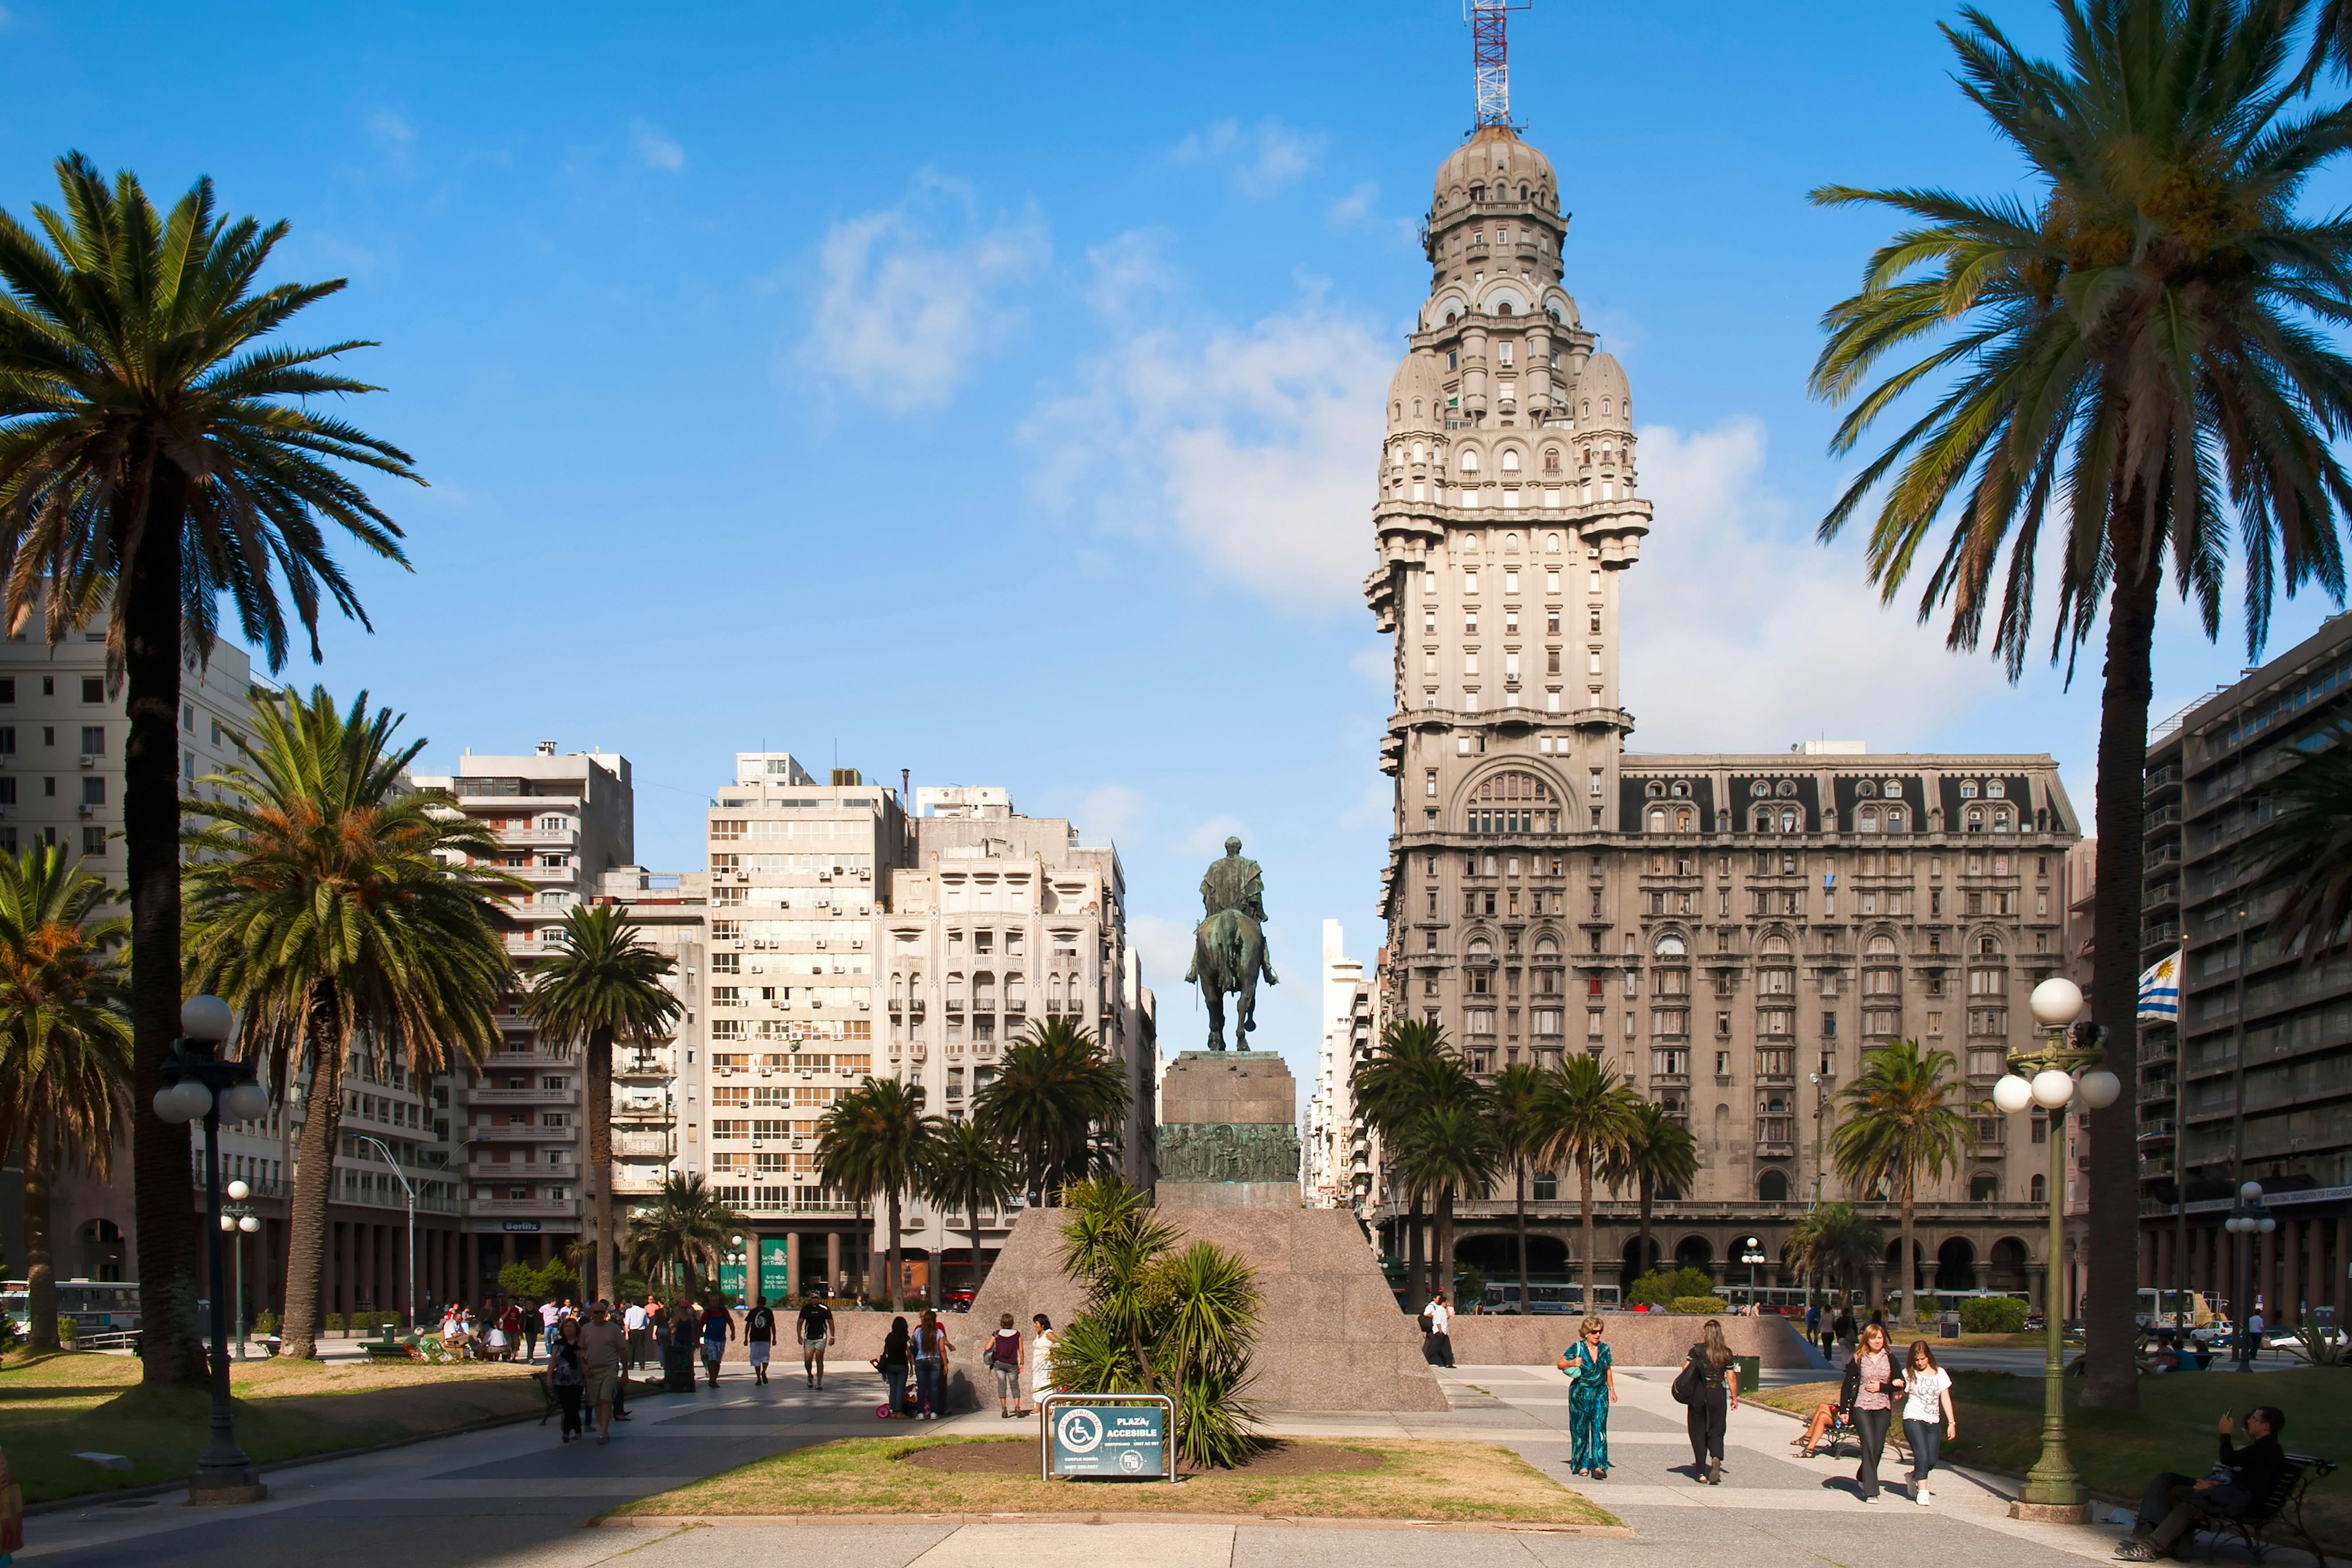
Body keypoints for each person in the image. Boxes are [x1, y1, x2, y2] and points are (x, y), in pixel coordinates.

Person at [2116, 1408, 2289, 1561]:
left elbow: (2229, 1460)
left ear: (2266, 1426)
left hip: (2244, 1501)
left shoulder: (2268, 1448)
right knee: (2176, 1490)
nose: (2250, 1422)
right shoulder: (2263, 1447)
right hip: (2234, 1493)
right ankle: (2178, 1546)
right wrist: (2216, 1485)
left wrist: (2226, 1433)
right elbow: (2245, 1477)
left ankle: (2149, 1546)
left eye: (2254, 1419)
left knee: (2192, 1503)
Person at [1557, 1314, 1617, 1479]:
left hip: (1600, 1392)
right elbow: (1560, 1364)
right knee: (1581, 1429)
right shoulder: (1577, 1347)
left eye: (1600, 1332)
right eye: (1594, 1332)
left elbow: (1608, 1370)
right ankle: (1583, 1464)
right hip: (1581, 1392)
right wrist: (1571, 1363)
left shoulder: (1605, 1349)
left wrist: (1611, 1389)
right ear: (1586, 1332)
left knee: (1599, 1428)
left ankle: (1599, 1466)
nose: (1598, 1335)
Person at [1681, 1318, 1738, 1485]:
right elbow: (1732, 1377)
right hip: (1718, 1395)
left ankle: (1701, 1473)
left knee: (1698, 1431)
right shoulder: (1726, 1353)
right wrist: (1734, 1398)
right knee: (1717, 1429)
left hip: (1699, 1395)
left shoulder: (1697, 1350)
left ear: (1705, 1333)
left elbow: (1685, 1370)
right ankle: (1716, 1457)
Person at [1850, 1320, 1902, 1503]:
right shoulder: (1859, 1358)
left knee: (1878, 1448)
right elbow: (1848, 1383)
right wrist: (1843, 1409)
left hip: (1883, 1407)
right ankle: (1872, 1491)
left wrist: (1884, 1387)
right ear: (1867, 1340)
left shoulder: (1889, 1358)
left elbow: (1899, 1381)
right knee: (1869, 1445)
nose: (1877, 1341)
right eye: (1874, 1338)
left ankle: (1863, 1474)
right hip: (1862, 1406)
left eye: (1880, 1338)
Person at [1901, 1340, 1956, 1505]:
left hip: (1933, 1421)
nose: (1920, 1363)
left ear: (1929, 1357)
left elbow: (1945, 1397)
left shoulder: (1940, 1373)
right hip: (1913, 1418)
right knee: (1922, 1455)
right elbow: (1899, 1393)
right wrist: (1896, 1390)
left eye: (1923, 1359)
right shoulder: (1908, 1373)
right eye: (1916, 1360)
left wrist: (1952, 1422)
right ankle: (1923, 1491)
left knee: (1931, 1460)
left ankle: (1913, 1476)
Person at [578, 1300, 627, 1446]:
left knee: (606, 1398)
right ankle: (602, 1427)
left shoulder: (613, 1329)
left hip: (609, 1367)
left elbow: (622, 1351)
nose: (600, 1315)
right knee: (596, 1401)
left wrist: (625, 1372)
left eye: (602, 1312)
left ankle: (604, 1431)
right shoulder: (586, 1329)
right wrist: (584, 1365)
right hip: (592, 1369)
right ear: (591, 1314)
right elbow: (582, 1349)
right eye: (596, 1313)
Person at [548, 1317, 587, 1442]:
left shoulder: (581, 1344)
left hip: (577, 1379)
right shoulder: (558, 1344)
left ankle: (566, 1432)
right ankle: (577, 1430)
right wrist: (549, 1376)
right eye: (566, 1327)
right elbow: (553, 1361)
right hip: (562, 1379)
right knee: (567, 1407)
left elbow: (586, 1359)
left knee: (573, 1405)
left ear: (576, 1329)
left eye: (571, 1326)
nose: (568, 1329)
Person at [912, 1308, 952, 1419]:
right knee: (934, 1387)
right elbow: (942, 1349)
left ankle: (920, 1413)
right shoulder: (938, 1332)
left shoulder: (918, 1332)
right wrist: (945, 1364)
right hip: (935, 1360)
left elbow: (912, 1344)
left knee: (922, 1387)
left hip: (920, 1360)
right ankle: (934, 1412)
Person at [986, 1313, 1025, 1419]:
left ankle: (1004, 1409)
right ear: (1012, 1323)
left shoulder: (997, 1334)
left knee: (1002, 1385)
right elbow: (1020, 1350)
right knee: (1015, 1385)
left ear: (1002, 1322)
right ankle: (1017, 1408)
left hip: (999, 1363)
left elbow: (987, 1347)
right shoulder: (1017, 1334)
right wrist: (1022, 1363)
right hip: (1012, 1364)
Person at [798, 1293, 836, 1389]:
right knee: (808, 1360)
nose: (815, 1300)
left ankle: (819, 1382)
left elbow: (831, 1323)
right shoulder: (806, 1309)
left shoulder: (824, 1309)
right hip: (809, 1337)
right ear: (810, 1299)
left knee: (819, 1359)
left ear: (819, 1299)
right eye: (813, 1298)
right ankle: (810, 1375)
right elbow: (800, 1323)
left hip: (821, 1337)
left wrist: (832, 1337)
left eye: (816, 1298)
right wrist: (799, 1336)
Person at [877, 1315, 912, 1417]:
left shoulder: (889, 1337)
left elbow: (886, 1350)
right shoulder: (906, 1338)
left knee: (893, 1388)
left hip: (890, 1365)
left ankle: (893, 1410)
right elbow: (909, 1353)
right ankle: (899, 1411)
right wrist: (911, 1366)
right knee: (900, 1388)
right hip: (902, 1364)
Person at [661, 1299, 698, 1393]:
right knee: (679, 1361)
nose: (684, 1310)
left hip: (688, 1341)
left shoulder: (691, 1318)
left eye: (686, 1308)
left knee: (689, 1361)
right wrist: (672, 1330)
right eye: (682, 1308)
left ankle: (689, 1379)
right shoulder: (677, 1318)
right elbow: (672, 1329)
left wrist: (695, 1342)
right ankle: (679, 1379)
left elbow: (693, 1330)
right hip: (678, 1341)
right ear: (679, 1308)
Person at [699, 1298, 734, 1387]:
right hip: (710, 1339)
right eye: (714, 1301)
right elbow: (701, 1325)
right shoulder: (707, 1313)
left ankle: (714, 1378)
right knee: (712, 1358)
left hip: (721, 1339)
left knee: (718, 1360)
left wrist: (733, 1333)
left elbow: (730, 1322)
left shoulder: (723, 1312)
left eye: (717, 1300)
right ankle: (712, 1378)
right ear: (710, 1302)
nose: (716, 1302)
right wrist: (696, 1338)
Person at [1028, 1313, 1058, 1417]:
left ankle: (1048, 1405)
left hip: (1046, 1363)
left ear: (1043, 1324)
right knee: (1037, 1383)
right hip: (1037, 1363)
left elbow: (1059, 1344)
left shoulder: (1049, 1334)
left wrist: (1053, 1354)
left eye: (1036, 1323)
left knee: (1046, 1383)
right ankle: (1038, 1406)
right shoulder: (1038, 1336)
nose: (1034, 1326)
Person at [743, 1295, 777, 1386]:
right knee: (765, 1357)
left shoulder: (753, 1312)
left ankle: (758, 1378)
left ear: (757, 1302)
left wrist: (746, 1338)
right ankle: (764, 1371)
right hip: (766, 1338)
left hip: (754, 1338)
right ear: (765, 1303)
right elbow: (772, 1325)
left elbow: (748, 1325)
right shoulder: (768, 1312)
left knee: (755, 1359)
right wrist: (774, 1337)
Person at [1423, 1289, 1455, 1368]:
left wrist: (1447, 1309)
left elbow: (1447, 1317)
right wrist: (1440, 1330)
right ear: (1443, 1303)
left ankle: (1449, 1363)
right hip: (1439, 1332)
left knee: (1447, 1347)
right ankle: (1424, 1360)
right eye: (1446, 1303)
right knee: (1435, 1348)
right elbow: (1437, 1321)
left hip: (1444, 1332)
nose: (1447, 1304)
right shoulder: (1438, 1310)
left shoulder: (1443, 1310)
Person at [624, 1298, 650, 1371]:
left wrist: (626, 1333)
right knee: (641, 1348)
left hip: (632, 1331)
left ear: (632, 1303)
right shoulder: (643, 1311)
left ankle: (631, 1365)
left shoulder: (629, 1311)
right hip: (641, 1331)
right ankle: (642, 1365)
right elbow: (647, 1322)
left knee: (631, 1348)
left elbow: (627, 1322)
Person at [540, 1296, 561, 1363]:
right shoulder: (544, 1307)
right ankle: (549, 1352)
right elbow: (539, 1312)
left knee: (555, 1339)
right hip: (547, 1324)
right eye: (554, 1302)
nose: (555, 1303)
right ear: (551, 1302)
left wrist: (558, 1317)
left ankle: (556, 1351)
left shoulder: (557, 1308)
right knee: (547, 1339)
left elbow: (559, 1314)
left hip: (554, 1324)